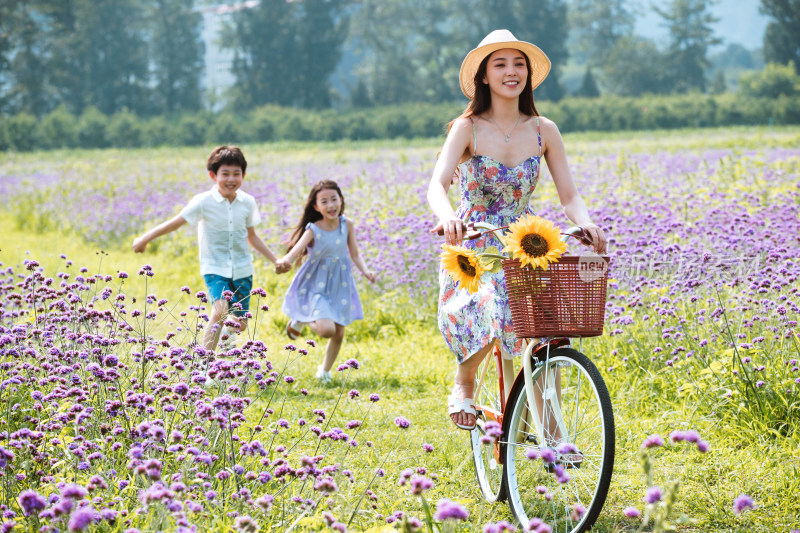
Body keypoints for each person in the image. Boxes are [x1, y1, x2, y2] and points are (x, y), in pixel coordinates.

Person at [427, 30, 607, 430]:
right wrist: (448, 218)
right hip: (474, 240)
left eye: (518, 64)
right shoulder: (467, 128)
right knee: (492, 305)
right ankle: (465, 380)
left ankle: (552, 433)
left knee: (545, 332)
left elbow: (570, 195)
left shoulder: (544, 130)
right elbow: (436, 185)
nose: (511, 72)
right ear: (484, 77)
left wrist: (586, 222)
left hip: (524, 241)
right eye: (500, 64)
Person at [133, 145, 287, 352]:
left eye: (236, 174)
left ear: (244, 175)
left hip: (243, 270)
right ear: (213, 175)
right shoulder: (203, 202)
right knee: (221, 311)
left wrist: (275, 259)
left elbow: (252, 236)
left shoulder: (248, 202)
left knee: (240, 324)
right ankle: (205, 364)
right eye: (225, 174)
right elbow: (176, 222)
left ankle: (225, 357)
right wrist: (145, 238)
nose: (231, 179)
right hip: (215, 268)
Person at [276, 180, 375, 383]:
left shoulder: (347, 225)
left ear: (341, 200)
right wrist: (284, 261)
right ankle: (304, 318)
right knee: (327, 330)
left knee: (339, 332)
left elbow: (354, 254)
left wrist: (366, 271)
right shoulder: (313, 228)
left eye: (334, 199)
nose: (331, 205)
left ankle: (325, 371)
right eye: (324, 201)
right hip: (315, 284)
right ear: (316, 206)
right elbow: (295, 252)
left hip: (340, 283)